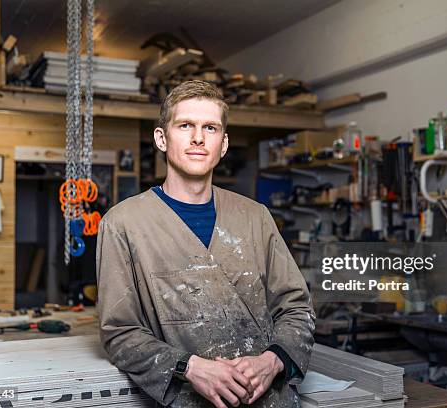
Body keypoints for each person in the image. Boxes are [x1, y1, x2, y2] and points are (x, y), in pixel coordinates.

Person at [96, 80, 315, 407]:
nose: (198, 138)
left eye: (210, 128)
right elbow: (120, 332)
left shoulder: (255, 217)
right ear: (161, 138)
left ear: (223, 144)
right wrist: (190, 368)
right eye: (185, 125)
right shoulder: (123, 224)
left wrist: (272, 361)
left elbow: (297, 308)